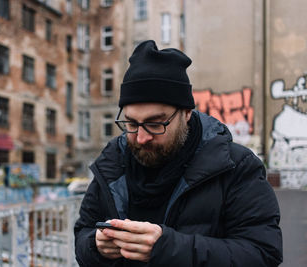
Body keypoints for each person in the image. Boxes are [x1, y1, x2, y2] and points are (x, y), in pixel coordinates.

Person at [74, 40, 282, 266]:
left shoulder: (236, 166)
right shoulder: (111, 163)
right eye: (131, 123)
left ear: (186, 114)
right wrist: (95, 246)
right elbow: (83, 235)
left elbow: (263, 254)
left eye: (155, 124)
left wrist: (167, 249)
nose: (141, 137)